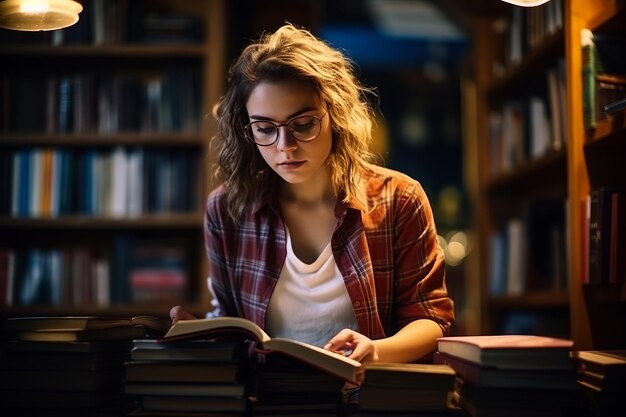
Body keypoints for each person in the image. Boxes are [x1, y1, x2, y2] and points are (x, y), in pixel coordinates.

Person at [169, 23, 454, 371]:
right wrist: (200, 333)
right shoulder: (227, 208)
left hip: (368, 397)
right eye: (264, 129)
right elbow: (230, 321)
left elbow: (430, 318)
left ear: (335, 115)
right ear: (247, 130)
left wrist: (377, 351)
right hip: (267, 399)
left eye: (302, 124)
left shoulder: (400, 199)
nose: (284, 147)